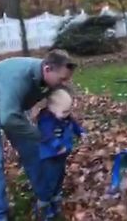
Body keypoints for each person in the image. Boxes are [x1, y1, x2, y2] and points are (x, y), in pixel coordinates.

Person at [0, 49, 76, 221]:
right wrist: (42, 136)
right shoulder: (18, 77)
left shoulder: (49, 77)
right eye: (62, 79)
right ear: (47, 69)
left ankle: (44, 198)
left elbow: (59, 102)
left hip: (10, 106)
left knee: (32, 151)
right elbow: (9, 119)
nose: (64, 83)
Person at [34, 87, 86, 220]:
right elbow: (46, 136)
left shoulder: (65, 117)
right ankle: (44, 205)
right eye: (64, 111)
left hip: (61, 155)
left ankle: (55, 199)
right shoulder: (46, 120)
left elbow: (73, 124)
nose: (67, 114)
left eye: (69, 110)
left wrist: (80, 132)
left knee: (59, 177)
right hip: (50, 156)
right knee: (49, 180)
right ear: (51, 107)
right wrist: (57, 146)